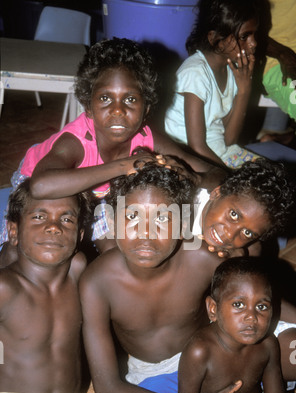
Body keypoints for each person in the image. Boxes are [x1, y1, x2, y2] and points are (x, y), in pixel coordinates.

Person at [80, 158, 296, 393]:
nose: (146, 232)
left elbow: (259, 296)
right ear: (115, 220)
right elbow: (108, 390)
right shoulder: (96, 282)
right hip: (151, 381)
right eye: (132, 217)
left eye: (161, 219)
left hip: (211, 362)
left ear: (182, 223)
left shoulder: (206, 257)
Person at [0, 37, 215, 263]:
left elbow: (215, 174)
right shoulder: (76, 141)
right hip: (44, 185)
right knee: (20, 250)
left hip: (97, 197)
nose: (118, 110)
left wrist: (194, 177)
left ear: (146, 108)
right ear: (88, 107)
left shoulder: (149, 137)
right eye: (105, 98)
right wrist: (124, 166)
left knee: (116, 252)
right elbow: (41, 185)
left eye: (130, 99)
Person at [0, 180, 116, 393]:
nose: (53, 226)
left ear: (80, 234)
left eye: (66, 218)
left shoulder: (79, 272)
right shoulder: (5, 287)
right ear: (13, 231)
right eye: (39, 216)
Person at [178, 257, 296, 393]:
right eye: (239, 304)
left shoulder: (267, 344)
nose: (252, 316)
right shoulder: (200, 351)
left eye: (262, 306)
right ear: (213, 309)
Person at [164, 0, 261, 168]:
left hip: (219, 154)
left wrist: (244, 90)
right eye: (245, 36)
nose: (253, 43)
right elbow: (197, 147)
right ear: (216, 39)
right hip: (188, 159)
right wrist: (228, 175)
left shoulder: (232, 71)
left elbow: (229, 139)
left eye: (254, 35)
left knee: (273, 178)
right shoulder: (195, 73)